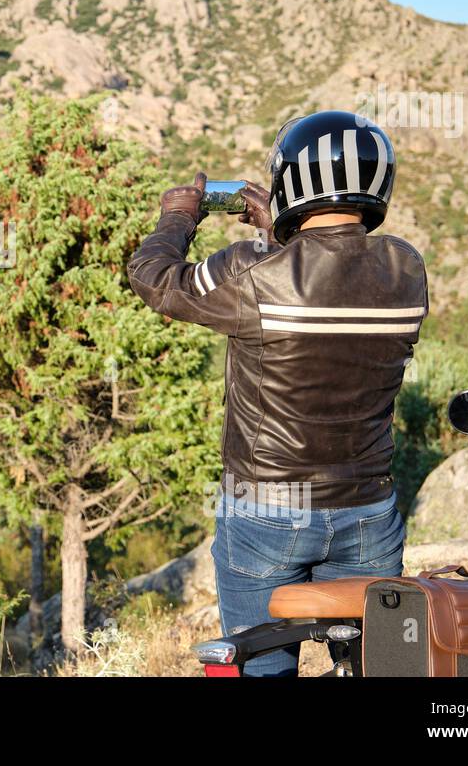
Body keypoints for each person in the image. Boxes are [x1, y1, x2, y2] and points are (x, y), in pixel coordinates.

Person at [127, 110, 428, 676]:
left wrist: (178, 216)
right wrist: (282, 229)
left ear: (290, 180)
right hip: (368, 508)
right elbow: (327, 280)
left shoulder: (252, 270)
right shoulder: (405, 269)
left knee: (261, 665)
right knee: (375, 666)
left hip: (268, 505)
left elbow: (154, 278)